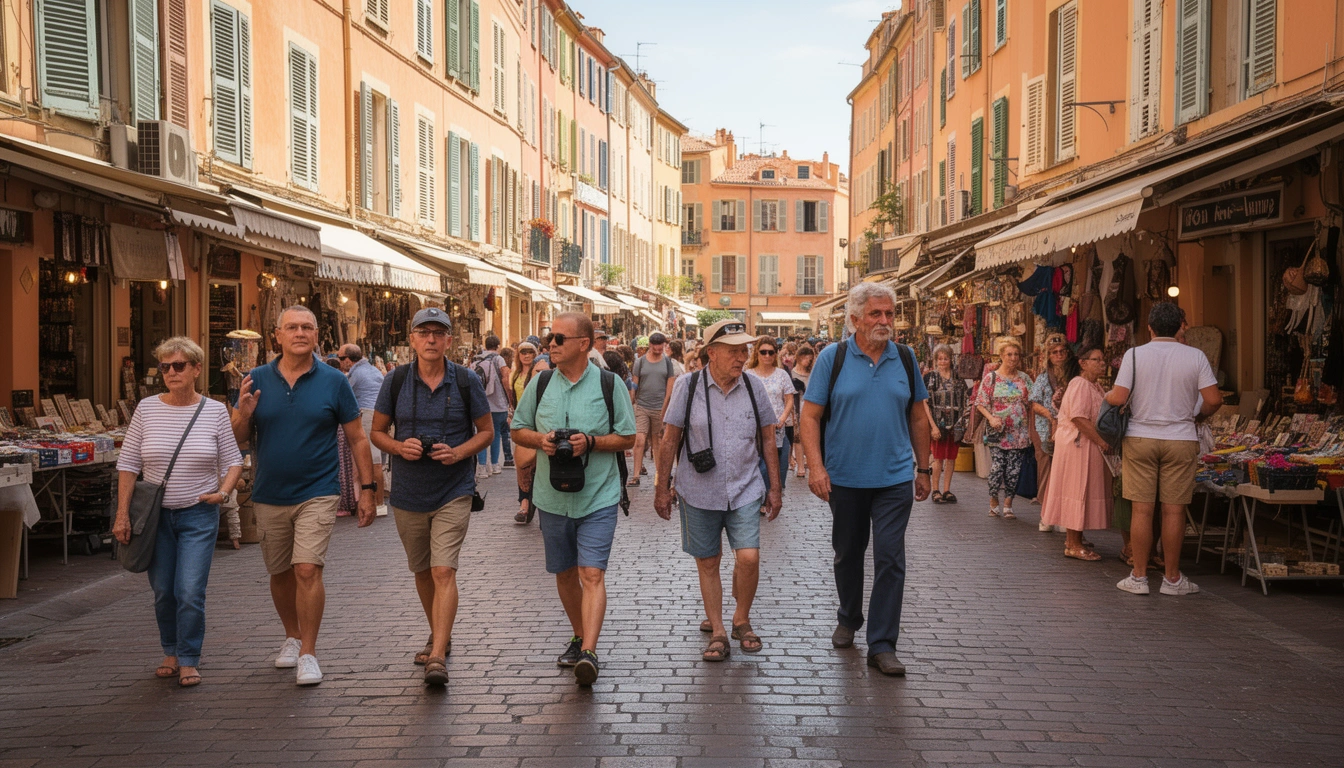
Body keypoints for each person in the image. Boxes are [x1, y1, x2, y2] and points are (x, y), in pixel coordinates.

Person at [231, 306, 377, 686]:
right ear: (276, 335)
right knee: (279, 573)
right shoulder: (255, 378)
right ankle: (291, 637)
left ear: (317, 336)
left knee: (307, 568)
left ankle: (309, 652)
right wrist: (243, 413)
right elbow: (236, 440)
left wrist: (368, 490)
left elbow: (358, 437)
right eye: (291, 327)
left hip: (318, 491)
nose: (300, 333)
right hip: (269, 493)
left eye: (307, 327)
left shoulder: (334, 381)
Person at [799, 283, 931, 677]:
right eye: (876, 314)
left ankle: (882, 643)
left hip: (893, 478)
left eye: (889, 314)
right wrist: (816, 467)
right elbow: (809, 417)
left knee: (891, 558)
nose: (884, 321)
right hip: (845, 478)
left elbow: (919, 416)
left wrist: (923, 469)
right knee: (848, 553)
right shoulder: (832, 358)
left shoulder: (905, 359)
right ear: (855, 318)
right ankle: (848, 615)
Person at [510, 312, 636, 686]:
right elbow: (518, 429)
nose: (551, 344)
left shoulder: (610, 385)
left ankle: (590, 652)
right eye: (551, 338)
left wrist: (591, 442)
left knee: (591, 573)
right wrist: (542, 441)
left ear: (584, 344)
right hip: (550, 497)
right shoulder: (541, 382)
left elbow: (627, 437)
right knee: (565, 573)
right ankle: (579, 636)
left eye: (560, 339)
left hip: (599, 495)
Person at [370, 307, 493, 686]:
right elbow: (376, 432)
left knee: (443, 569)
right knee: (422, 570)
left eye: (438, 333)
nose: (431, 339)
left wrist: (458, 452)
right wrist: (397, 446)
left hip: (453, 487)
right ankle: (441, 632)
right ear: (411, 339)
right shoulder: (396, 381)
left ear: (449, 341)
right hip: (408, 490)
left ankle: (437, 654)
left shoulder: (467, 380)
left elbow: (486, 432)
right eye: (423, 333)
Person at [113, 337, 243, 688]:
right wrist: (122, 515)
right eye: (165, 366)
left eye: (179, 366)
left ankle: (188, 657)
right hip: (156, 518)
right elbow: (128, 463)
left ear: (196, 369)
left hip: (198, 514)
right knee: (163, 591)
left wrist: (223, 492)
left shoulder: (214, 411)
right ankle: (169, 650)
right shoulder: (147, 408)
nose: (171, 372)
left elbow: (233, 460)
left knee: (189, 590)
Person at [654, 319, 781, 661]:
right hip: (698, 489)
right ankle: (719, 630)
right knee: (708, 562)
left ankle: (741, 618)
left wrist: (775, 487)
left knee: (749, 557)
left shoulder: (754, 387)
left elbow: (768, 439)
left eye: (745, 350)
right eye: (734, 351)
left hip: (745, 487)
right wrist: (661, 487)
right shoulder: (687, 385)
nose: (743, 356)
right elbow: (669, 439)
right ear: (712, 352)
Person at [1107, 302, 1221, 596]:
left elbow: (1119, 398)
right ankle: (1172, 579)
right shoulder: (1195, 356)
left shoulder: (1134, 355)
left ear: (1149, 327)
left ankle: (1139, 577)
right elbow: (1214, 399)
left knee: (1142, 510)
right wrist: (1199, 415)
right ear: (1182, 325)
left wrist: (1106, 395)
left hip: (1141, 438)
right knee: (1174, 511)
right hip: (1181, 438)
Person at [1039, 345, 1113, 561]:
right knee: (1076, 489)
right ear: (1083, 362)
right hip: (1077, 445)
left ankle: (1076, 538)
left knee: (1083, 489)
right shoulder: (1080, 384)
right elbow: (1079, 417)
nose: (1102, 364)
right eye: (1097, 360)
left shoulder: (1094, 386)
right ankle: (1072, 543)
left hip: (1083, 445)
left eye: (1102, 360)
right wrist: (1100, 441)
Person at [974, 339, 1035, 520]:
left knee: (1014, 470)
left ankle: (1008, 504)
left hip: (1019, 432)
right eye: (1009, 354)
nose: (1013, 358)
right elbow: (980, 403)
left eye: (1016, 354)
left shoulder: (1024, 379)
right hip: (998, 432)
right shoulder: (991, 378)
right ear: (1001, 356)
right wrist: (991, 418)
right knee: (997, 468)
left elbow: (1032, 403)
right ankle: (994, 501)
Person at [1029, 336, 1073, 522]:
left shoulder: (1074, 375)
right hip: (1046, 428)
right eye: (1054, 352)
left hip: (1070, 427)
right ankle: (1045, 512)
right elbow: (1033, 402)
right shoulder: (1043, 377)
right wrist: (1050, 416)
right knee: (1046, 467)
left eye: (1062, 351)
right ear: (1049, 355)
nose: (1059, 355)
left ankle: (1065, 514)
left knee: (1068, 469)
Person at [629, 332, 678, 487]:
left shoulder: (668, 363)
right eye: (656, 345)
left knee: (657, 442)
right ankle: (636, 475)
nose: (658, 348)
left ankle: (659, 475)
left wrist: (665, 406)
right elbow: (635, 383)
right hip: (642, 405)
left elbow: (669, 387)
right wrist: (632, 398)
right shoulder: (640, 362)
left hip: (660, 407)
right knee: (640, 440)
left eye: (661, 345)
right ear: (650, 345)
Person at [746, 336, 794, 491]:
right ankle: (760, 498)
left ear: (775, 354)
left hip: (778, 429)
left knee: (779, 469)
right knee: (760, 468)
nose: (767, 356)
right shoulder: (748, 375)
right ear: (757, 353)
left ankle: (773, 495)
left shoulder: (782, 374)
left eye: (771, 352)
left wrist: (782, 419)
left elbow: (789, 400)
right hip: (755, 430)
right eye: (763, 352)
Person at [510, 340, 550, 524]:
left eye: (529, 352)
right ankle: (524, 504)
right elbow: (513, 399)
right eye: (522, 352)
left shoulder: (548, 382)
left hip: (543, 426)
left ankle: (544, 505)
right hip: (524, 425)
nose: (526, 356)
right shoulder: (517, 375)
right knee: (523, 465)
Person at [922, 344, 966, 504]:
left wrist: (962, 423)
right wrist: (932, 426)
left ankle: (947, 489)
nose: (942, 361)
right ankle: (936, 490)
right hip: (938, 424)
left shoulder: (958, 378)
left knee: (951, 458)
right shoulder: (930, 378)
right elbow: (924, 403)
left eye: (945, 358)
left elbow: (964, 401)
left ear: (950, 359)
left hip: (955, 424)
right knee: (938, 457)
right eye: (939, 359)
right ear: (935, 360)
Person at [473, 335, 512, 478]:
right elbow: (505, 377)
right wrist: (509, 396)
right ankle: (495, 465)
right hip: (497, 402)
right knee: (494, 433)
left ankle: (482, 466)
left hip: (480, 402)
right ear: (498, 346)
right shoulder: (498, 359)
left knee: (481, 433)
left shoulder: (476, 359)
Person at [789, 345, 815, 477]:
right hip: (796, 407)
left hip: (810, 407)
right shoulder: (790, 373)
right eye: (805, 358)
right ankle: (800, 465)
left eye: (809, 359)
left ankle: (807, 460)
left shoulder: (813, 373)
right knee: (797, 437)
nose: (807, 361)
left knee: (809, 435)